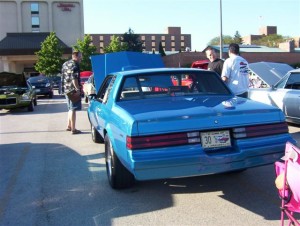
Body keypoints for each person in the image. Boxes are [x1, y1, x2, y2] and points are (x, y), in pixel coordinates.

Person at [61, 50, 82, 134]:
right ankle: (73, 129)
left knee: (69, 108)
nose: (81, 58)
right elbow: (74, 78)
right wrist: (77, 89)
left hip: (66, 89)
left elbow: (62, 77)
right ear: (76, 57)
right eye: (80, 56)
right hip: (73, 90)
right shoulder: (75, 65)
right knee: (73, 109)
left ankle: (69, 126)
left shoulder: (65, 64)